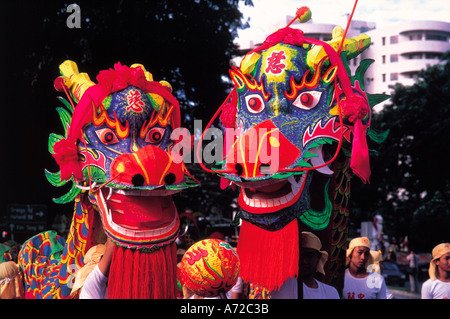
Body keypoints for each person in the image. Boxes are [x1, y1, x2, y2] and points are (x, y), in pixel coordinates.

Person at [271, 232, 340, 299]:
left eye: (309, 256)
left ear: (318, 257)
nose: (304, 261)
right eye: (300, 255)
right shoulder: (282, 286)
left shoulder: (330, 293)